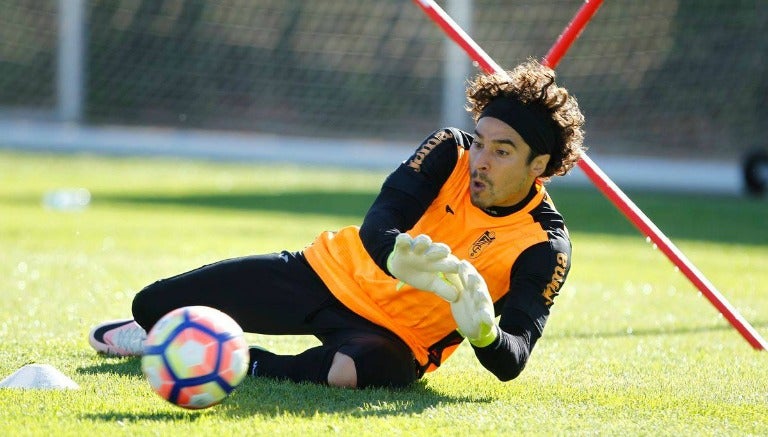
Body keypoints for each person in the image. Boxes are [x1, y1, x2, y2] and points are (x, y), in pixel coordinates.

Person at [88, 58, 586, 389]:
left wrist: (483, 335)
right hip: (327, 273)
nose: (481, 159)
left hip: (395, 341)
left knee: (352, 372)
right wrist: (393, 254)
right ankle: (172, 333)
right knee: (151, 304)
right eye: (482, 141)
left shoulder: (545, 246)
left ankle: (236, 358)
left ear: (538, 165)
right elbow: (381, 219)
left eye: (503, 152)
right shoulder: (449, 149)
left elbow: (512, 359)